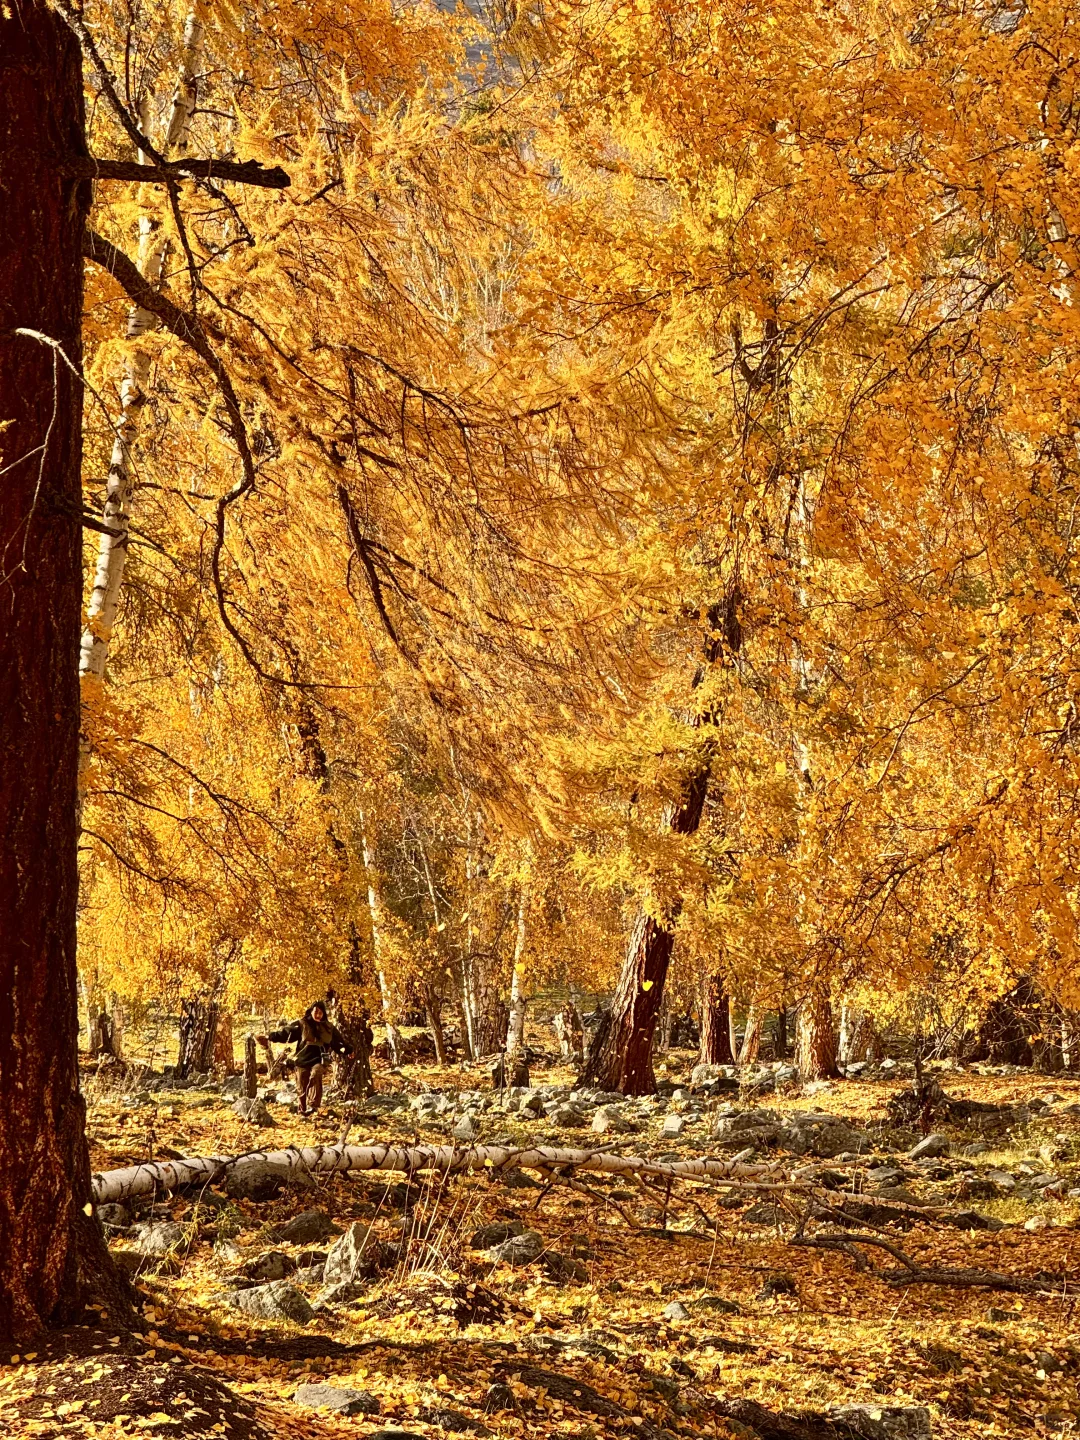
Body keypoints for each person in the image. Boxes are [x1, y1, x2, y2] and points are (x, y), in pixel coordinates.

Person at [257, 1000, 350, 1116]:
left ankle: (314, 1106)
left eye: (320, 1013)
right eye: (316, 1012)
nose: (318, 1015)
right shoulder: (302, 1024)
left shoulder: (328, 1028)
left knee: (316, 1074)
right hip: (302, 1059)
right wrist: (270, 1037)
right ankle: (302, 1111)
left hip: (319, 1059)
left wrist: (348, 1050)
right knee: (301, 1085)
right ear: (311, 1011)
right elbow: (286, 1033)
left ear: (323, 1014)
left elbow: (338, 1042)